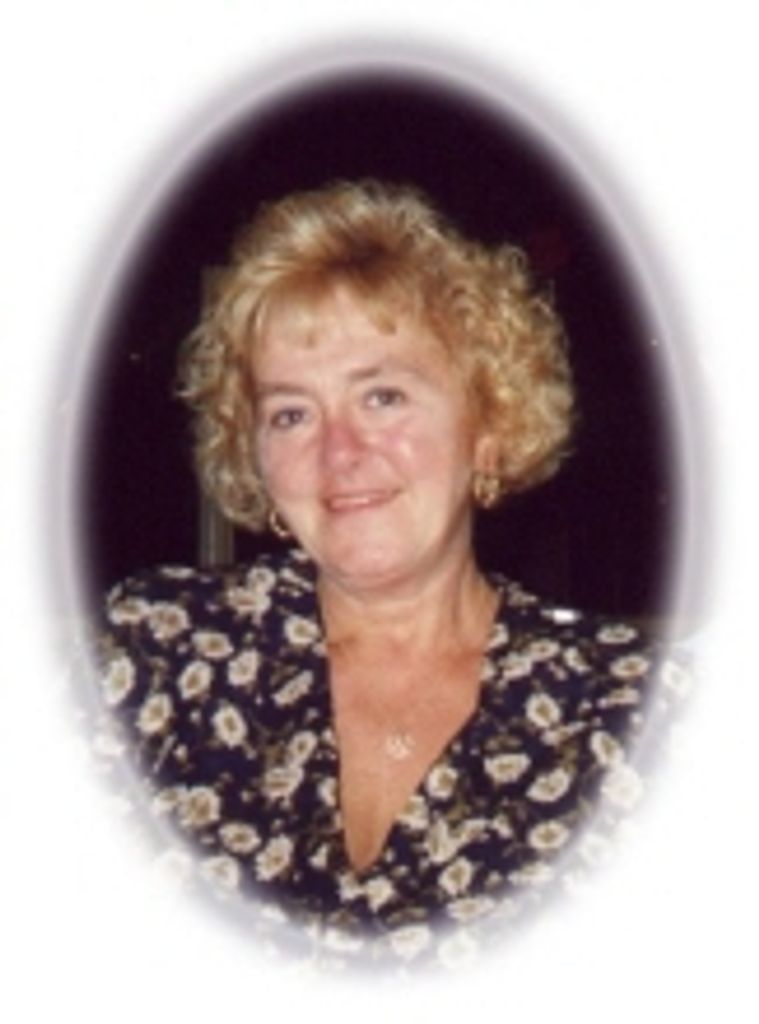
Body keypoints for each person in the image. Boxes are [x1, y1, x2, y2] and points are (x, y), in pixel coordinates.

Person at [97, 179, 667, 967]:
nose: (338, 452)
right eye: (291, 413)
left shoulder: (629, 712)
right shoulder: (157, 657)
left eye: (383, 396)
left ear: (488, 427)